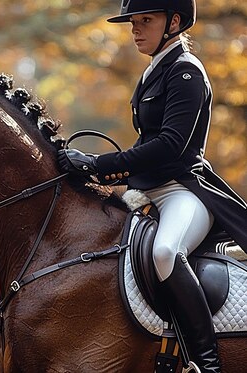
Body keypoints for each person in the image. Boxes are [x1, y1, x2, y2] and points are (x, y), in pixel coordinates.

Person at [58, 1, 247, 372]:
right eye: (133, 22)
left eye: (146, 20)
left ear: (174, 22)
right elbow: (145, 145)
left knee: (165, 252)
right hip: (148, 191)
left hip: (184, 191)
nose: (135, 29)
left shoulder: (186, 72)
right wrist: (93, 171)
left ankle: (207, 363)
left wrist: (100, 164)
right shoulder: (152, 73)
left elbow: (170, 145)